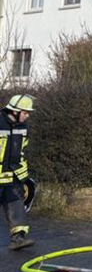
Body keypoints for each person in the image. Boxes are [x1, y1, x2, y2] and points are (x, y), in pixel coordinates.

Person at [0, 94, 35, 251]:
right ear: (14, 111)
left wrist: (24, 177)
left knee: (16, 205)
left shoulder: (23, 128)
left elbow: (21, 152)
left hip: (12, 176)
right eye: (25, 112)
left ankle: (18, 239)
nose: (27, 115)